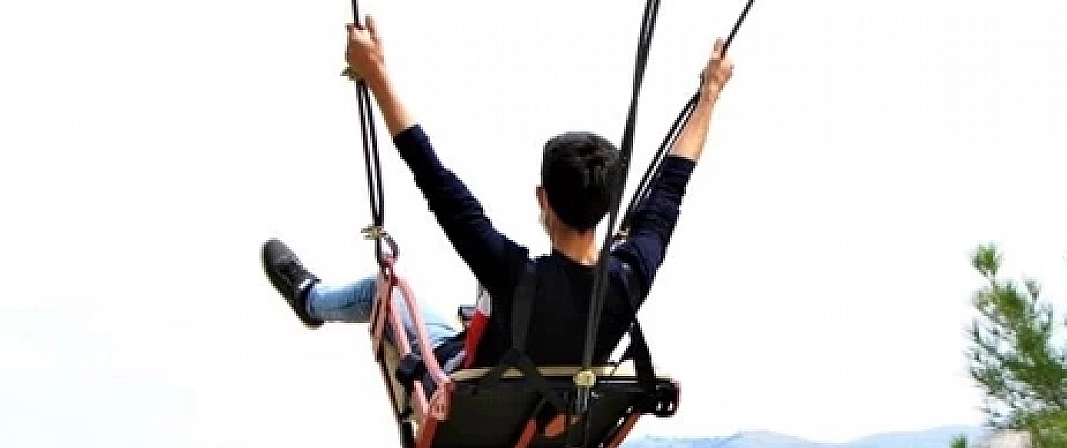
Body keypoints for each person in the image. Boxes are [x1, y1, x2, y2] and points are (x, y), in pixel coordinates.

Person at [262, 14, 734, 373]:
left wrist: (377, 74)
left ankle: (310, 300)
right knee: (482, 306)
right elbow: (671, 185)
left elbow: (437, 180)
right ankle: (324, 301)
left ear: (542, 199)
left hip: (471, 385)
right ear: (608, 206)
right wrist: (710, 95)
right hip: (550, 402)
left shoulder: (514, 275)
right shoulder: (630, 275)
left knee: (380, 289)